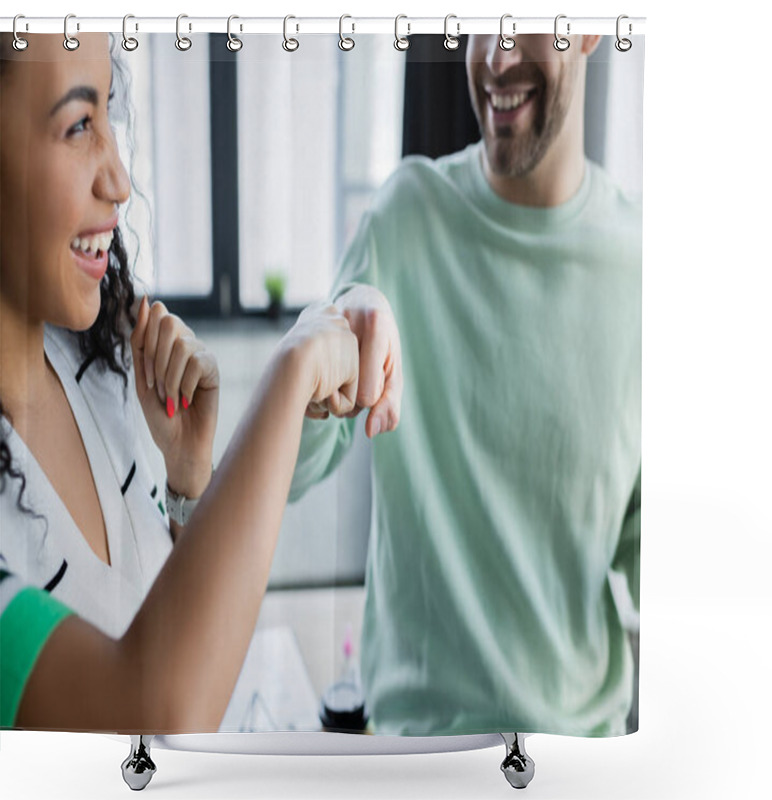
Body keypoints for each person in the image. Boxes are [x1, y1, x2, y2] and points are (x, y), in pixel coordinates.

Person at [0, 32, 360, 732]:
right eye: (78, 125)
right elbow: (156, 702)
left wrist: (189, 480)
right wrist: (292, 374)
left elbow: (159, 612)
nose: (118, 181)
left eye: (110, 114)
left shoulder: (96, 368)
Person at [289, 32, 642, 737]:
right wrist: (314, 349)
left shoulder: (645, 272)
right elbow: (291, 469)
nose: (496, 54)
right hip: (417, 755)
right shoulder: (404, 220)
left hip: (584, 754)